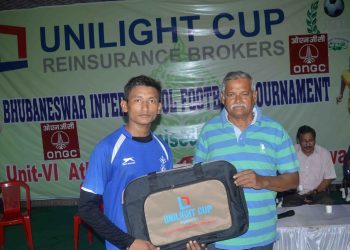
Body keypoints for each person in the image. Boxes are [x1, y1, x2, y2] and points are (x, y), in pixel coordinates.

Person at [79, 75, 203, 250]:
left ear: (159, 107)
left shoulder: (163, 149)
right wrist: (129, 243)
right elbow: (86, 208)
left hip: (159, 243)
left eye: (151, 101)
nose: (145, 107)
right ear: (125, 105)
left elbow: (167, 201)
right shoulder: (107, 148)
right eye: (138, 100)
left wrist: (187, 238)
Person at [194, 71, 299, 250]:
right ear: (222, 98)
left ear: (254, 96)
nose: (238, 99)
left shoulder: (275, 130)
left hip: (261, 236)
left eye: (244, 93)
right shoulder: (208, 132)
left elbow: (293, 181)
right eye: (231, 94)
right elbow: (196, 184)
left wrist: (262, 181)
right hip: (220, 238)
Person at [282, 125, 336, 206]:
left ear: (315, 139)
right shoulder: (290, 153)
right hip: (296, 194)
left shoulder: (324, 154)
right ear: (298, 141)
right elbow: (284, 176)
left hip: (318, 192)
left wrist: (315, 192)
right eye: (304, 141)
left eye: (311, 140)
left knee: (328, 204)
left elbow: (328, 178)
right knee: (288, 206)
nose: (308, 144)